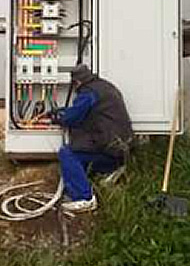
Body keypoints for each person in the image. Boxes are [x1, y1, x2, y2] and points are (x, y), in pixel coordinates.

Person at [51, 64, 133, 213]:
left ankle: (83, 198)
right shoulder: (104, 87)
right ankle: (112, 171)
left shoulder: (88, 93)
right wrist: (63, 111)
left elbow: (73, 117)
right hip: (121, 149)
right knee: (83, 148)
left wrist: (57, 117)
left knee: (68, 154)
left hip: (108, 149)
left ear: (77, 83)